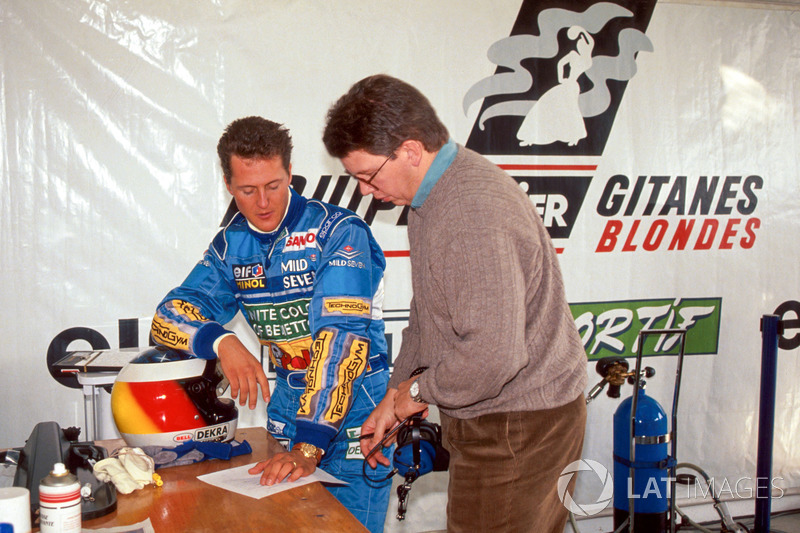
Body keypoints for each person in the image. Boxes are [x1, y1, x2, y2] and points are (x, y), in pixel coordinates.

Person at [323, 75, 588, 533]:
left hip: (518, 423)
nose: (365, 191)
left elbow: (493, 354)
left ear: (409, 150)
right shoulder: (433, 193)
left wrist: (418, 394)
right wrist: (395, 392)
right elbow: (428, 315)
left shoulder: (467, 212)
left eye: (367, 175)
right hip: (502, 413)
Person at [151, 116, 392, 532]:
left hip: (357, 407)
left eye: (274, 186)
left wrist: (307, 447)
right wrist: (223, 342)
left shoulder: (339, 232)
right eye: (248, 190)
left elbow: (340, 343)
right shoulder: (231, 244)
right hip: (287, 401)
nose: (263, 202)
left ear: (290, 175)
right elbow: (168, 315)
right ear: (228, 185)